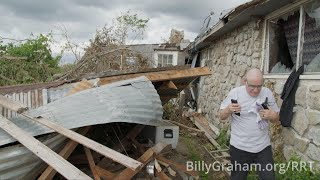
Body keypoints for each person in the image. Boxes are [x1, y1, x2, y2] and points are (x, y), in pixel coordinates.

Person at [219, 68, 280, 180]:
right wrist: (228, 109)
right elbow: (221, 116)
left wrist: (272, 115)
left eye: (259, 86)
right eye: (252, 86)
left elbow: (276, 118)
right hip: (240, 148)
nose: (256, 90)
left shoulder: (267, 93)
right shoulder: (235, 93)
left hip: (263, 147)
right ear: (244, 81)